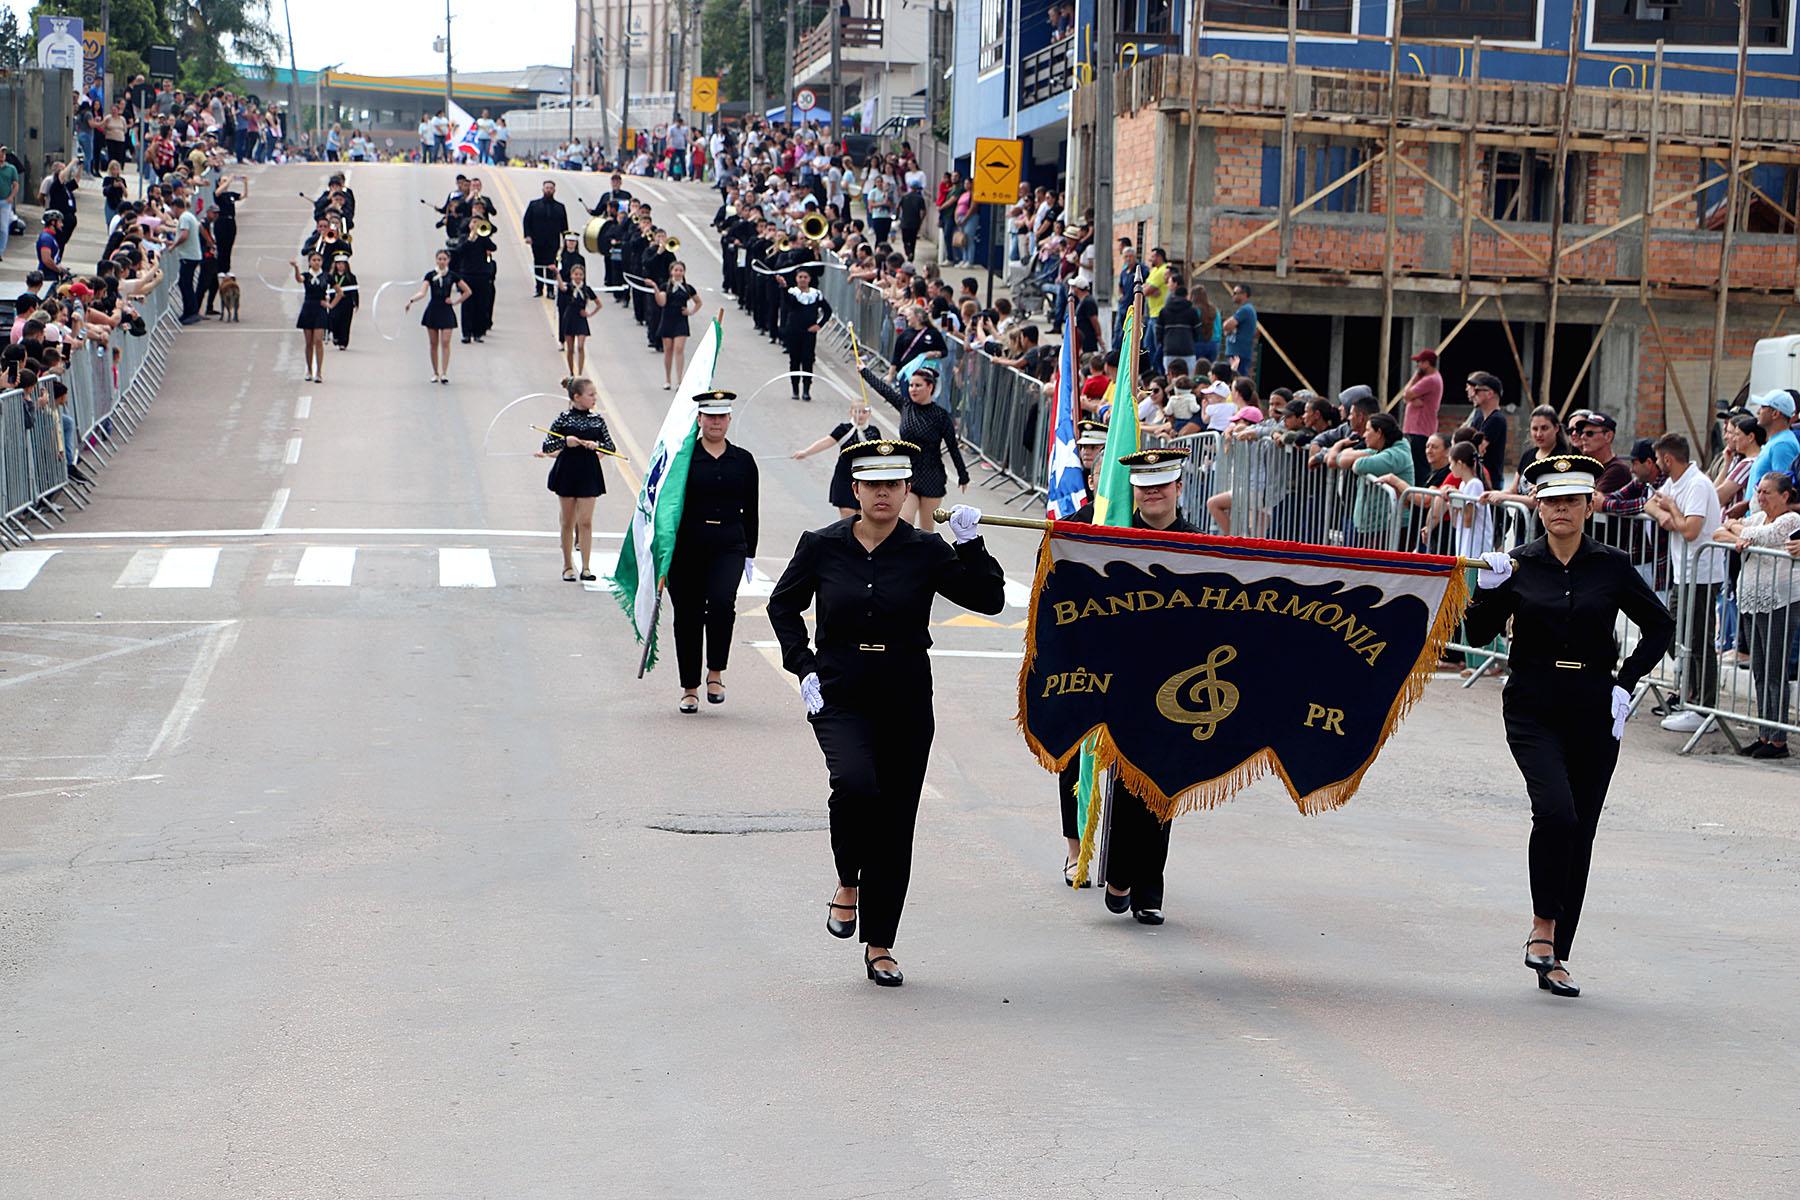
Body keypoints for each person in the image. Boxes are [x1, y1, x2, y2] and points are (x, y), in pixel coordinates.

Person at [767, 442, 1003, 987]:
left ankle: (881, 944)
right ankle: (847, 879)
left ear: (905, 491)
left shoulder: (925, 550)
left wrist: (972, 545)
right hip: (839, 692)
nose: (882, 494)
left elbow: (989, 599)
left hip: (904, 696)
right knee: (854, 783)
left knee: (896, 820)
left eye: (892, 485)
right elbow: (784, 604)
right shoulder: (821, 546)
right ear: (854, 490)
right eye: (872, 484)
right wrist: (802, 667)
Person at [1463, 454, 1674, 999]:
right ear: (1538, 505)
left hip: (1593, 708)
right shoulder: (1519, 563)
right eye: (1551, 500)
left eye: (1571, 501)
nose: (1560, 509)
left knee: (1579, 831)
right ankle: (1541, 926)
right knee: (1555, 810)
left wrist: (1626, 682)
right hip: (1533, 704)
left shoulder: (1612, 564)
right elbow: (1478, 629)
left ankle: (1555, 955)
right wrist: (1488, 587)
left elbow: (1659, 626)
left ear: (1587, 506)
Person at [1100, 447, 1199, 925]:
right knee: (1128, 779)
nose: (1153, 491)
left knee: (1165, 783)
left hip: (1185, 682)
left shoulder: (1204, 544)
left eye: (1163, 483)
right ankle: (1120, 872)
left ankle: (1148, 889)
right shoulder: (1111, 533)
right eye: (1144, 484)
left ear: (1179, 487)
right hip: (1125, 677)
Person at [669, 391, 760, 715]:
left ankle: (716, 673)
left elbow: (751, 509)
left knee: (722, 603)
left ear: (729, 420)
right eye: (710, 417)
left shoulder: (744, 461)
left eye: (721, 417)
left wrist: (750, 551)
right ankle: (690, 687)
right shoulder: (682, 459)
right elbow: (666, 507)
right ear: (700, 420)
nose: (716, 422)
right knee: (688, 614)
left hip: (728, 543)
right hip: (687, 546)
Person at [1644, 433, 1725, 733]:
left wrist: (1672, 513)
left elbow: (1691, 530)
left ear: (1667, 459)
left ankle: (1704, 706)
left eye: (1659, 459)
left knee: (1699, 640)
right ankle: (1690, 693)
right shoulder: (1674, 484)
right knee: (1670, 631)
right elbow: (1650, 505)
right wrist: (1665, 515)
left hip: (1702, 573)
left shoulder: (1697, 484)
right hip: (1683, 573)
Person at [1716, 473, 1800, 757]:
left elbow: (1768, 537)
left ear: (1785, 496)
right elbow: (1720, 530)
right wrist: (1737, 531)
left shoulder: (1790, 520)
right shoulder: (1755, 518)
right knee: (1760, 670)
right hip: (1751, 601)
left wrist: (1739, 531)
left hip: (1779, 602)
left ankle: (1778, 739)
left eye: (1767, 492)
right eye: (1758, 491)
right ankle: (1765, 733)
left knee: (1775, 670)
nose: (1760, 497)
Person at [537, 376, 616, 582]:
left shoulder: (597, 420)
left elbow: (611, 447)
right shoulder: (563, 418)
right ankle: (567, 566)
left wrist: (595, 444)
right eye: (591, 395)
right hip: (567, 472)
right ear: (576, 397)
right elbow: (547, 446)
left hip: (588, 472)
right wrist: (565, 441)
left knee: (586, 521)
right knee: (567, 521)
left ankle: (586, 567)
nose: (594, 398)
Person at [887, 366, 968, 529]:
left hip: (932, 476)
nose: (913, 389)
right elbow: (883, 389)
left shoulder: (940, 415)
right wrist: (864, 371)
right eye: (911, 385)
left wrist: (962, 474)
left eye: (918, 385)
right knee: (905, 522)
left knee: (926, 530)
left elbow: (952, 446)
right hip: (909, 473)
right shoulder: (905, 406)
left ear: (930, 387)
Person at [792, 398, 883, 517]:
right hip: (845, 476)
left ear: (869, 413)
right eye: (856, 411)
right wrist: (805, 452)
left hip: (865, 477)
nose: (860, 415)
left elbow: (880, 453)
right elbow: (826, 442)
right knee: (847, 514)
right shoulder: (844, 429)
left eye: (863, 412)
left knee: (863, 515)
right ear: (851, 412)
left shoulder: (874, 432)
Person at [403, 248, 470, 385]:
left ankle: (444, 373)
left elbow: (467, 291)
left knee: (445, 342)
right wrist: (411, 300)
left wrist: (455, 301)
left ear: (448, 261)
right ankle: (435, 372)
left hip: (446, 310)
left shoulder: (452, 275)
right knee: (433, 344)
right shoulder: (430, 275)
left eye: (444, 259)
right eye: (439, 259)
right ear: (436, 260)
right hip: (433, 310)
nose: (442, 261)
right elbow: (422, 292)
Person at [288, 251, 339, 383]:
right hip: (308, 308)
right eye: (314, 260)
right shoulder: (306, 275)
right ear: (310, 262)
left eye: (319, 260)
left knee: (318, 341)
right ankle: (309, 370)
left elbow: (340, 292)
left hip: (320, 309)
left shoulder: (327, 276)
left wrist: (330, 305)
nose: (316, 262)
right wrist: (296, 267)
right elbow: (299, 279)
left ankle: (319, 372)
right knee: (309, 342)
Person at [781, 267, 831, 402]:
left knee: (808, 360)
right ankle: (795, 389)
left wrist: (819, 325)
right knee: (794, 360)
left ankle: (806, 390)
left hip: (809, 333)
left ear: (809, 279)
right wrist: (784, 287)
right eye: (800, 277)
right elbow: (788, 303)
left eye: (805, 277)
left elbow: (828, 311)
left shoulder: (816, 294)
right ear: (797, 279)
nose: (803, 279)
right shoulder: (793, 293)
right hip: (794, 331)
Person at [654, 260, 701, 390]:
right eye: (676, 270)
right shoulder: (665, 286)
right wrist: (656, 289)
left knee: (679, 349)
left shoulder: (688, 288)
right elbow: (661, 302)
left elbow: (698, 302)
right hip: (667, 319)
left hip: (681, 320)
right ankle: (668, 379)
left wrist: (690, 312)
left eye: (681, 270)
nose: (678, 272)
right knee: (668, 349)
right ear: (671, 272)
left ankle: (680, 380)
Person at [523, 181, 570, 298]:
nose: (548, 190)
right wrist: (528, 236)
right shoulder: (534, 205)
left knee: (551, 265)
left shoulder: (560, 207)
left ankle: (550, 289)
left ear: (554, 190)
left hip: (553, 242)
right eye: (547, 188)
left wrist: (566, 240)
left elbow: (564, 226)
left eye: (551, 188)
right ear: (543, 189)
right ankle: (539, 288)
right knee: (538, 264)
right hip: (537, 241)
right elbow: (526, 221)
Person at [1402, 348, 1443, 480]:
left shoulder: (1430, 380)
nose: (1418, 366)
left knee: (1419, 467)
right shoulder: (1430, 378)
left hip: (1419, 430)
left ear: (1427, 363)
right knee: (1417, 465)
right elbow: (1406, 397)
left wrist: (1414, 377)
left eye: (1419, 362)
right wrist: (1411, 398)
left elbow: (1406, 394)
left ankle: (1420, 497)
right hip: (1418, 429)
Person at [557, 262, 602, 377]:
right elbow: (562, 287)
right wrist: (557, 274)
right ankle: (572, 372)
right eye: (576, 274)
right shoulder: (570, 287)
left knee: (581, 346)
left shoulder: (586, 289)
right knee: (570, 349)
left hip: (581, 318)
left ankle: (580, 373)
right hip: (569, 318)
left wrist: (590, 314)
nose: (578, 277)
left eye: (580, 274)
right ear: (572, 275)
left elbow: (599, 304)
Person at [1220, 282, 1257, 373]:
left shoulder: (1245, 310)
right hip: (1238, 352)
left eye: (1236, 293)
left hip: (1238, 354)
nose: (1233, 295)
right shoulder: (1246, 310)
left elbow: (1226, 326)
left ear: (1244, 295)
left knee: (1238, 380)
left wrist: (1230, 328)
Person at [325, 253, 358, 350]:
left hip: (346, 303)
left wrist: (355, 302)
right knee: (334, 320)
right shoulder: (331, 277)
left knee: (345, 323)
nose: (340, 265)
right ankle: (335, 336)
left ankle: (343, 342)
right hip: (334, 302)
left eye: (342, 263)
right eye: (338, 263)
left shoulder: (351, 277)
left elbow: (354, 291)